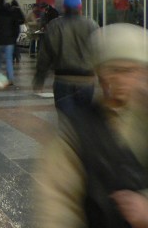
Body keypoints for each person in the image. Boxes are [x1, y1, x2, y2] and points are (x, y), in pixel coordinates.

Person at [35, 23, 148, 227]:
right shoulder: (77, 132)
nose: (121, 79)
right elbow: (57, 205)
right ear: (99, 72)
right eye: (113, 70)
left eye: (130, 70)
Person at [33, 0, 99, 115]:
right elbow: (99, 52)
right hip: (86, 82)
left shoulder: (54, 26)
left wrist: (39, 78)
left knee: (66, 122)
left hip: (63, 80)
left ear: (64, 7)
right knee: (84, 120)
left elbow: (45, 56)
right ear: (80, 7)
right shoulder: (92, 25)